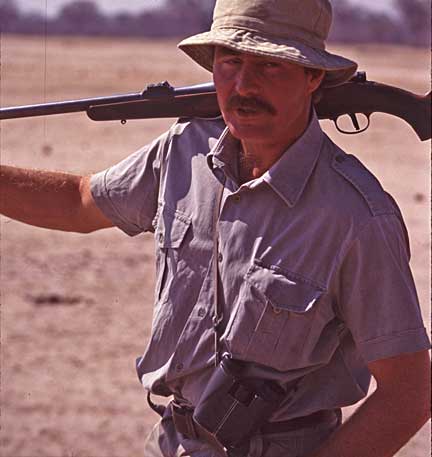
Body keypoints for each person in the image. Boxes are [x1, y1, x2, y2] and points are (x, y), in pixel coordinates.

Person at [1, 0, 430, 456]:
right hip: (171, 441)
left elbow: (410, 391)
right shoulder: (184, 150)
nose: (244, 86)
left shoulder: (357, 217)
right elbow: (79, 202)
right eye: (230, 61)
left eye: (270, 65)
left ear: (314, 76)